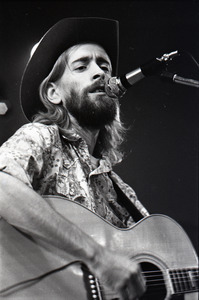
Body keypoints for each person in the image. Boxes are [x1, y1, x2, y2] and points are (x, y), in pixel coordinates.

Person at [0, 17, 149, 299]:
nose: (100, 73)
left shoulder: (120, 190)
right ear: (53, 93)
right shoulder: (41, 137)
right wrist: (98, 257)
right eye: (82, 66)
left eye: (105, 66)